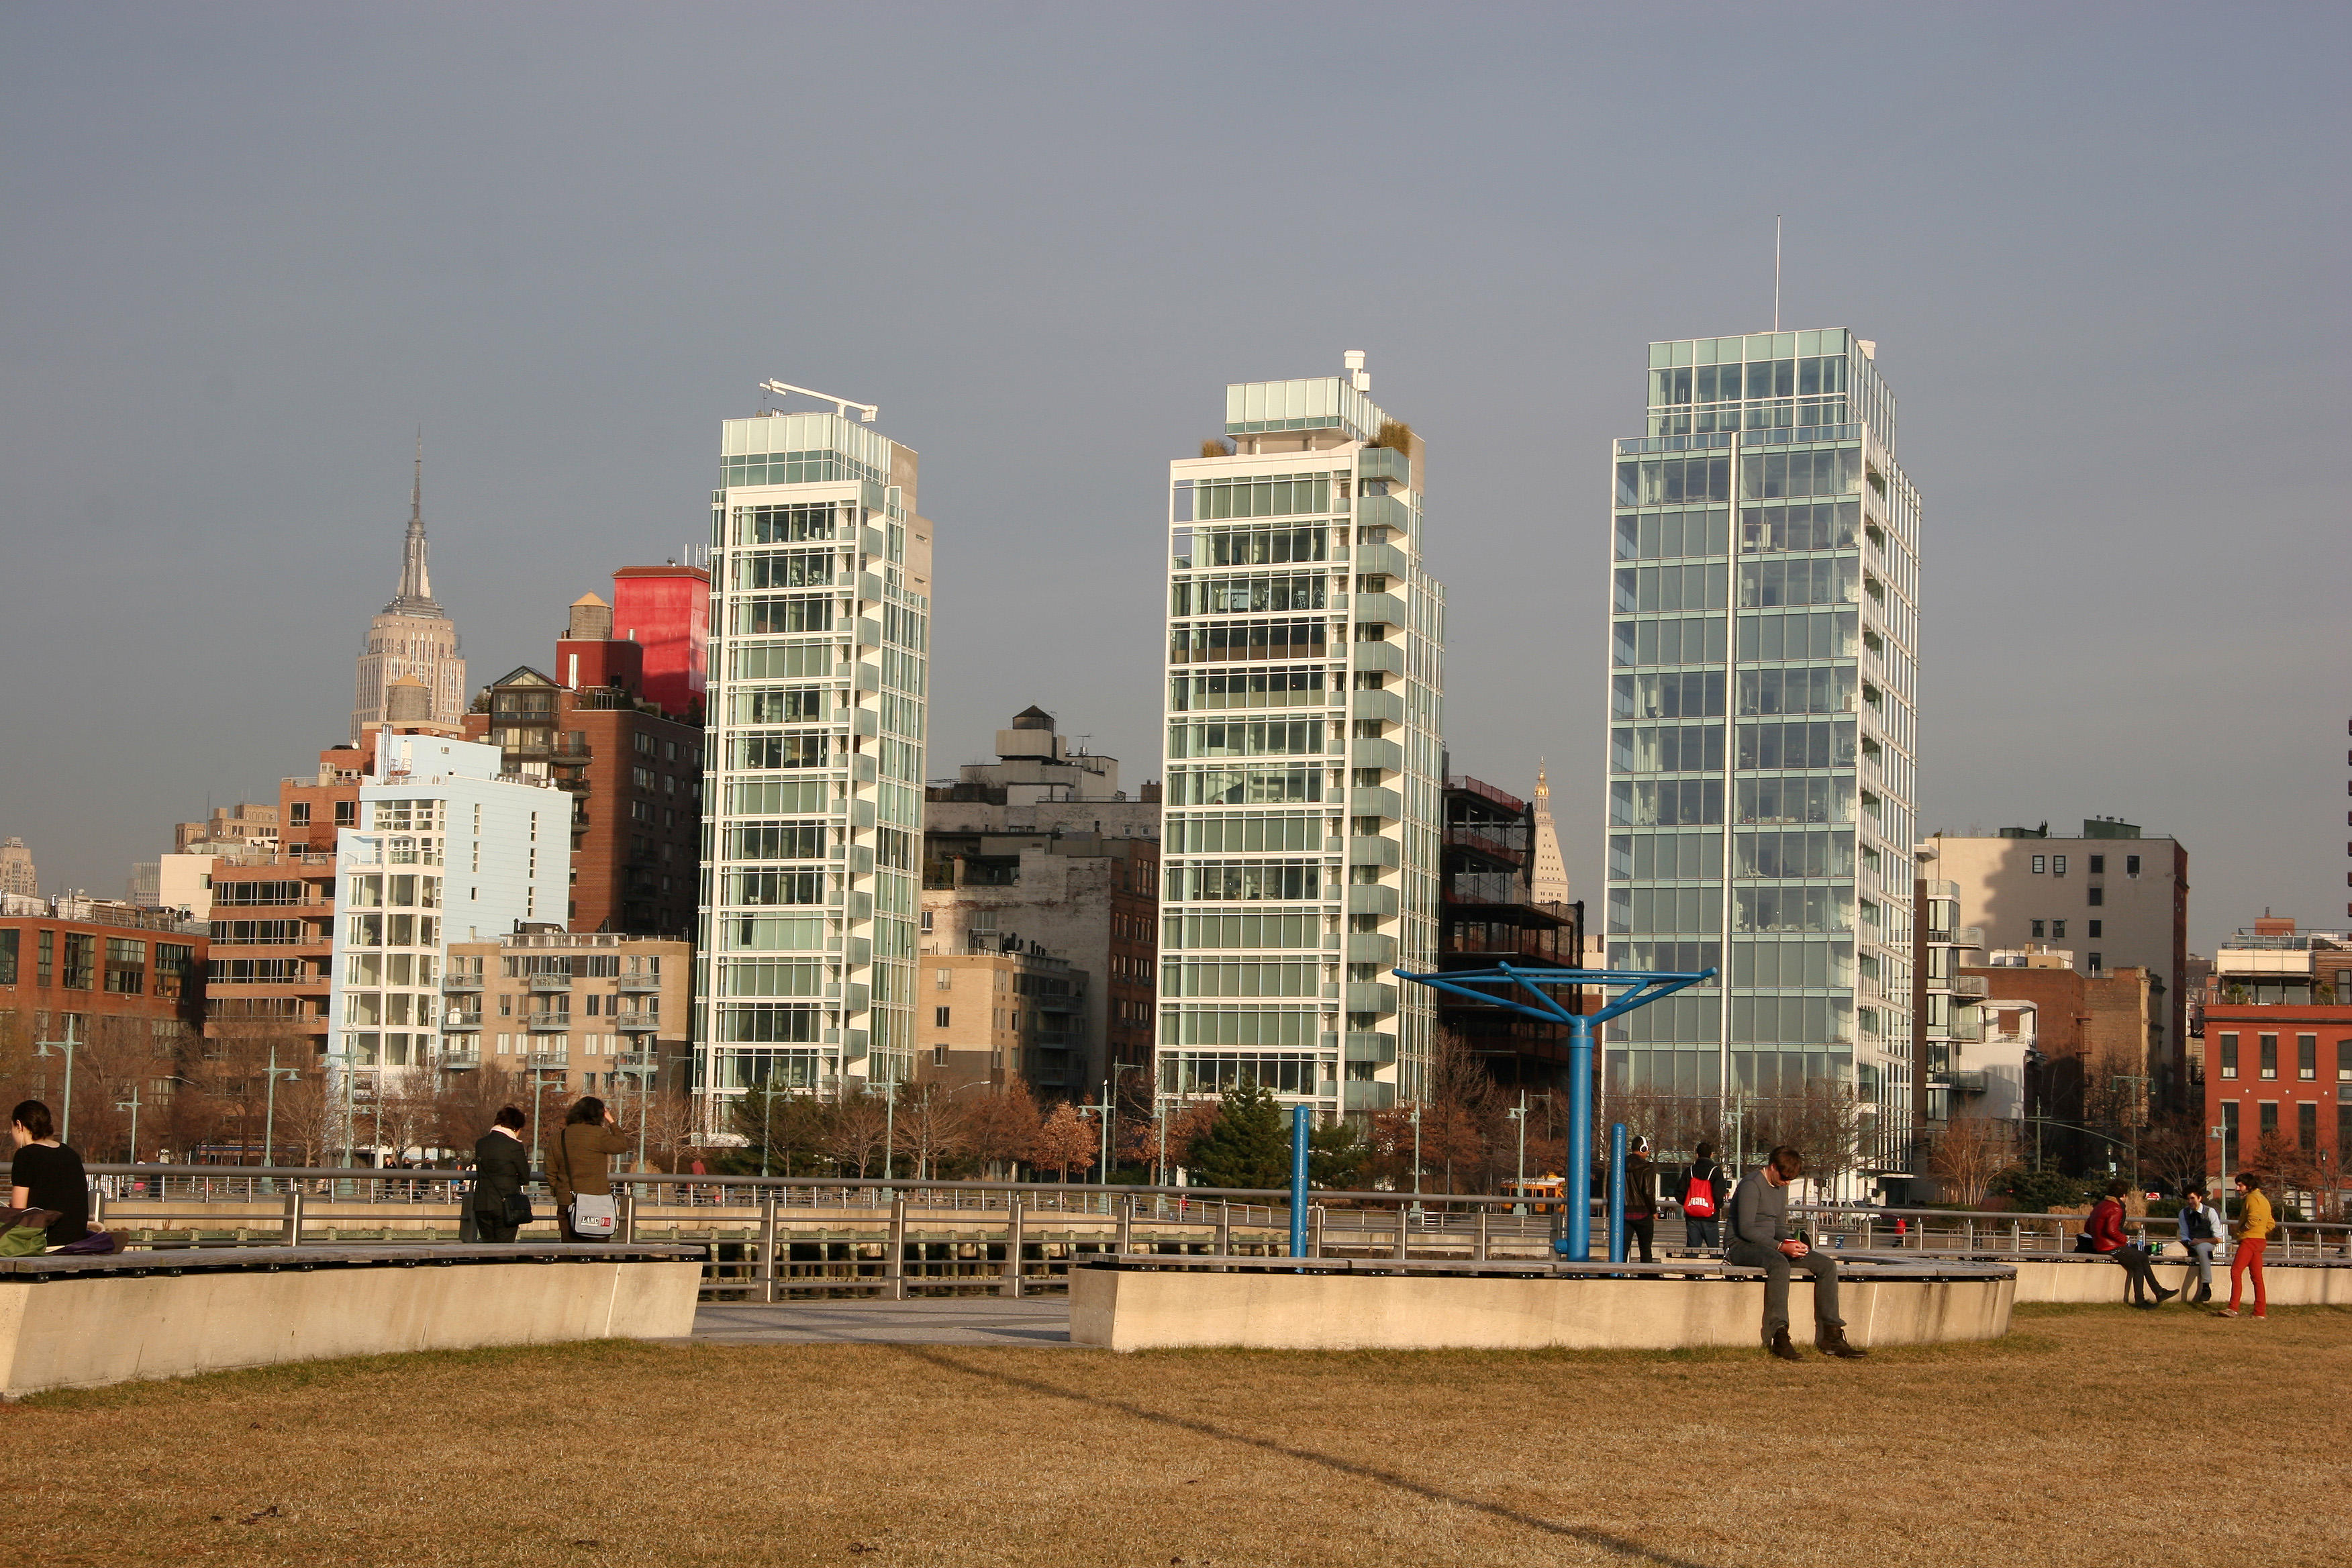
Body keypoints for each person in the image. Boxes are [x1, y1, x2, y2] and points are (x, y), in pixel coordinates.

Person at [1727, 1144, 1865, 1360]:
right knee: (1779, 1264)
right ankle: (1779, 1334)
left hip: (1771, 1245)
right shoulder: (1752, 1185)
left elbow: (1779, 1227)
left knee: (1827, 1265)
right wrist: (1781, 1247)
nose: (1787, 1182)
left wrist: (1793, 1243)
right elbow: (1746, 1230)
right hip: (1740, 1245)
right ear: (1772, 1167)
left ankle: (1831, 1334)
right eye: (1784, 1177)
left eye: (1791, 1178)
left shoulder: (1780, 1186)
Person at [546, 1095, 630, 1242]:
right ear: (599, 1115)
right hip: (597, 1200)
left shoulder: (560, 1137)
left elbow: (550, 1169)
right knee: (597, 1247)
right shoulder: (599, 1135)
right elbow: (622, 1145)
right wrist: (612, 1121)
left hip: (567, 1199)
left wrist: (558, 1191)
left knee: (570, 1248)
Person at [9, 1100, 90, 1250]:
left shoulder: (25, 1155)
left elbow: (19, 1212)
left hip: (44, 1239)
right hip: (76, 1238)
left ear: (19, 1125)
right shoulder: (70, 1153)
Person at [2086, 1179, 2175, 1307]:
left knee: (2142, 1257)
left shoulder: (2100, 1206)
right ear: (2123, 1195)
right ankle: (2142, 1299)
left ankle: (2159, 1292)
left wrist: (2099, 1237)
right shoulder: (2116, 1208)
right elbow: (2111, 1230)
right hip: (2111, 1247)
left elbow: (2087, 1228)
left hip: (2100, 1245)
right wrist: (2123, 1239)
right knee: (2138, 1265)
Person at [471, 1106, 532, 1243]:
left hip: (482, 1203)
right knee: (504, 1248)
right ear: (516, 1128)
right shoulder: (514, 1146)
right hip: (506, 1205)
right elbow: (525, 1176)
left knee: (487, 1248)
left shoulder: (481, 1144)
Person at [2216, 1171, 2272, 1320]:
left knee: (2236, 1271)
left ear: (2249, 1185)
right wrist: (2260, 1231)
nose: (2238, 1189)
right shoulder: (2263, 1199)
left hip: (2250, 1241)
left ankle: (2233, 1308)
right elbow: (2271, 1223)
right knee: (2257, 1277)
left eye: (2240, 1185)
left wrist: (2243, 1230)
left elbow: (2254, 1219)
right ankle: (2260, 1312)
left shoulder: (2252, 1199)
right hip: (2259, 1241)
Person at [2175, 1183, 2220, 1306]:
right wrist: (2189, 1243)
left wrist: (2200, 1241)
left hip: (2208, 1244)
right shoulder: (2183, 1213)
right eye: (2188, 1199)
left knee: (2202, 1248)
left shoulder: (2210, 1212)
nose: (2190, 1202)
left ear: (2199, 1198)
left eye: (2192, 1198)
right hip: (2191, 1243)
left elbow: (2218, 1238)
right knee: (2170, 1249)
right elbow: (2184, 1234)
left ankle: (2206, 1285)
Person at [1682, 1140, 1725, 1250]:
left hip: (1692, 1216)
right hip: (1710, 1216)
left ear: (1697, 1155)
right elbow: (1719, 1194)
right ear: (1712, 1155)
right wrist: (1717, 1207)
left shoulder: (1689, 1171)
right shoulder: (1716, 1171)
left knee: (1692, 1250)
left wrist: (1687, 1203)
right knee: (1715, 1251)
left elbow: (1679, 1192)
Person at [1622, 1135, 1658, 1263]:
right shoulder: (1647, 1167)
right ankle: (1646, 1277)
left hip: (1624, 1212)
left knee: (1622, 1249)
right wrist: (1653, 1211)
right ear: (1643, 1149)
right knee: (1645, 1249)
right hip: (1643, 1213)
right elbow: (1648, 1192)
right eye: (1647, 1149)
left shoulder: (1620, 1165)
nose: (1648, 1152)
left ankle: (1617, 1275)